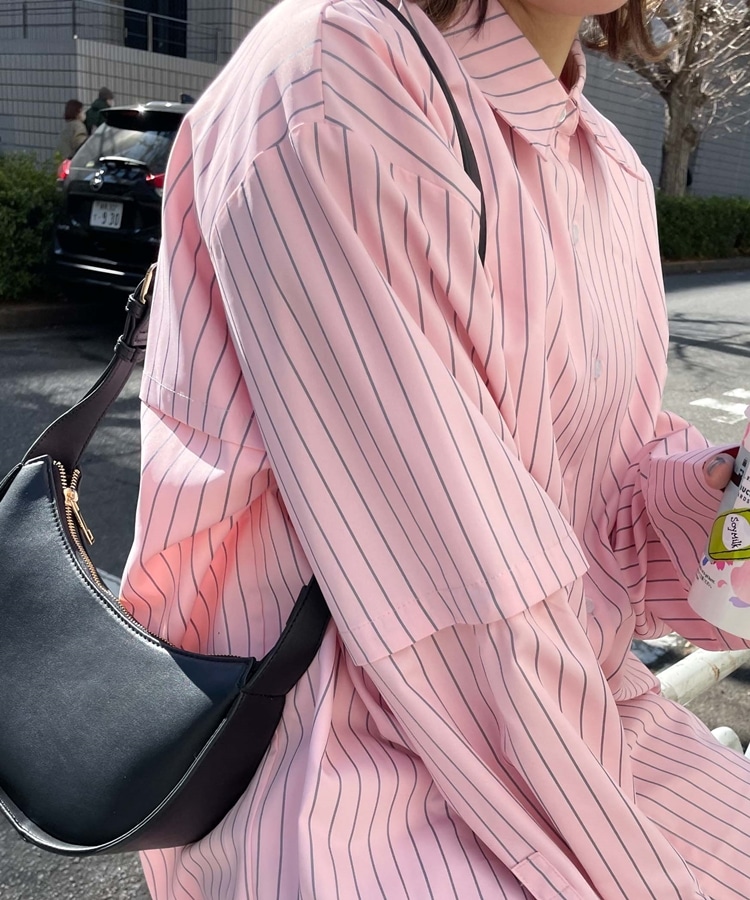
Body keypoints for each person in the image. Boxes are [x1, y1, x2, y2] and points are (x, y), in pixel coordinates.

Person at [119, 0, 750, 896]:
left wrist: (716, 499)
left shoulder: (608, 168)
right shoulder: (344, 70)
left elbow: (599, 508)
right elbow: (461, 600)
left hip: (575, 729)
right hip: (341, 782)